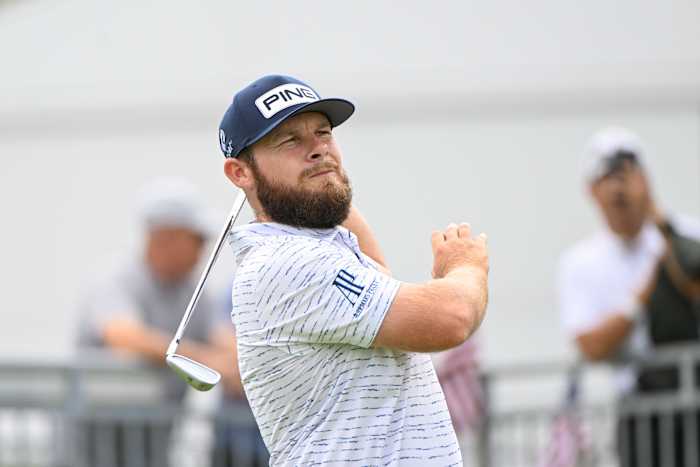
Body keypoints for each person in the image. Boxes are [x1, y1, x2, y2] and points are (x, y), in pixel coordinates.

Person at [216, 74, 490, 465]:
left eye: (323, 133)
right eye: (291, 140)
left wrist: (321, 176)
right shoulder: (288, 264)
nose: (318, 149)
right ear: (240, 173)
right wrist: (466, 266)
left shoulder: (316, 246)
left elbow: (378, 271)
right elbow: (451, 317)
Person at [75, 177, 255, 467]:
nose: (204, 249)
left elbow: (222, 340)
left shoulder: (193, 290)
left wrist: (242, 364)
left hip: (151, 446)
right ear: (164, 237)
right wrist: (206, 359)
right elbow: (124, 336)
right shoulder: (115, 280)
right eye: (197, 239)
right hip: (94, 447)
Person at [558, 127, 700, 467]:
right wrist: (640, 299)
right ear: (592, 191)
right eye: (609, 179)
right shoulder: (579, 262)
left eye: (628, 176)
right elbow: (590, 345)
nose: (620, 191)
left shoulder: (684, 235)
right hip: (640, 412)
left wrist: (663, 226)